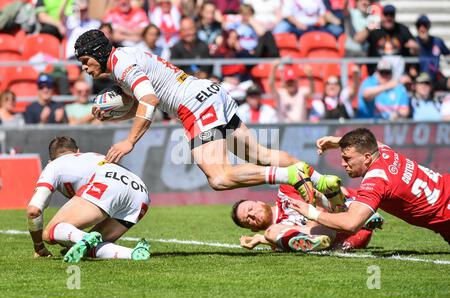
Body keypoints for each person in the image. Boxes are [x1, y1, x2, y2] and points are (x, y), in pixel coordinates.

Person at [74, 29, 345, 205]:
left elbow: (151, 101)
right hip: (210, 93)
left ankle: (291, 175)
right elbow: (144, 103)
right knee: (262, 155)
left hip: (194, 105)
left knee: (219, 178)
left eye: (85, 61)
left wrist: (129, 142)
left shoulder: (122, 67)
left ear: (98, 53)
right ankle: (327, 188)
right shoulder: (124, 58)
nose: (85, 68)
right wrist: (114, 118)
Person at [288, 128, 450, 246]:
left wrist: (311, 212)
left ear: (366, 157)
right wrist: (337, 141)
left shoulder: (376, 180)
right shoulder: (384, 152)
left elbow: (351, 224)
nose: (343, 164)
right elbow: (373, 142)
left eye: (347, 158)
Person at [27, 136, 151, 261]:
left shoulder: (53, 165)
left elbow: (33, 211)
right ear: (78, 151)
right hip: (141, 193)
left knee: (50, 233)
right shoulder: (93, 156)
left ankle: (83, 238)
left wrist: (39, 247)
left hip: (106, 185)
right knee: (91, 246)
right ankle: (133, 253)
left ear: (50, 160)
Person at [233, 183, 383, 252]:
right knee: (271, 232)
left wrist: (313, 214)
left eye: (250, 208)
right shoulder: (276, 236)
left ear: (259, 202)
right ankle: (316, 241)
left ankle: (358, 212)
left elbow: (322, 193)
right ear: (252, 228)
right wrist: (261, 239)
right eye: (248, 219)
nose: (253, 215)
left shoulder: (285, 191)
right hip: (342, 238)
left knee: (320, 192)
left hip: (341, 212)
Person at [415, 15, 450, 91]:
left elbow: (448, 55)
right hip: (419, 79)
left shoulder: (437, 41)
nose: (422, 28)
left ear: (429, 27)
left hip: (435, 77)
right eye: (419, 26)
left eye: (425, 25)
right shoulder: (413, 42)